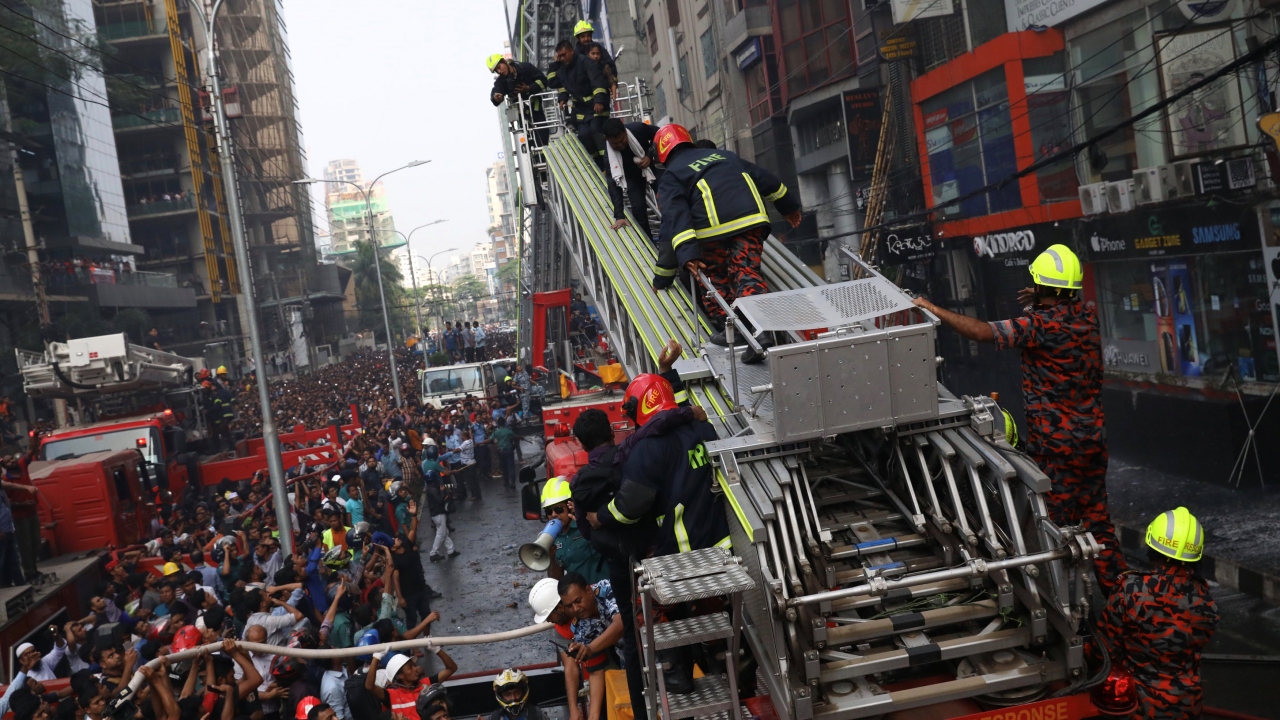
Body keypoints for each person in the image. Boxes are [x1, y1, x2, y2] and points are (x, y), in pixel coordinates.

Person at [910, 244, 1127, 595]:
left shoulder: (1039, 326)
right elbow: (1051, 315)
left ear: (1046, 290)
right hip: (1092, 442)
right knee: (1098, 523)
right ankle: (1120, 599)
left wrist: (932, 308)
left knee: (1050, 529)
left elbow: (982, 332)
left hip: (1058, 450)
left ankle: (1060, 604)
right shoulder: (1086, 319)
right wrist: (1041, 297)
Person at [649, 123, 803, 364]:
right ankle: (761, 331)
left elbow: (675, 219)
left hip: (712, 233)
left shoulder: (671, 175)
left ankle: (736, 330)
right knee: (746, 273)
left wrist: (675, 267)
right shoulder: (724, 156)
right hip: (751, 221)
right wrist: (789, 207)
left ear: (661, 153)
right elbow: (766, 180)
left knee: (712, 279)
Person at [1097, 507, 1218, 719]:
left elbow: (1102, 651)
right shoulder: (1206, 601)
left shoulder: (1130, 591)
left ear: (1153, 547)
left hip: (1137, 708)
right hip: (1187, 707)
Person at [559, 572, 623, 720]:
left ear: (588, 590)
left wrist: (590, 648)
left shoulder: (607, 589)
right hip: (627, 663)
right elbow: (595, 670)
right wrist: (593, 716)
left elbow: (620, 624)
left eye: (578, 601)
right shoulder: (579, 627)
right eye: (569, 606)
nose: (576, 608)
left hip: (652, 644)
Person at [551, 40, 610, 170]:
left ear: (571, 51)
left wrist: (599, 100)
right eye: (559, 56)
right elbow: (554, 83)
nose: (561, 58)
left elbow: (597, 82)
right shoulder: (562, 69)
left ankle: (608, 164)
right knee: (583, 135)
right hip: (581, 109)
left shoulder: (586, 63)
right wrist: (554, 65)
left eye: (563, 55)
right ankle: (598, 167)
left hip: (596, 106)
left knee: (596, 131)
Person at [542, 477, 607, 584]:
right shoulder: (552, 537)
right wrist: (551, 557)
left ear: (570, 506)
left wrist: (584, 523)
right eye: (549, 511)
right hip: (580, 598)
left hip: (605, 591)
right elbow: (556, 580)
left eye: (558, 509)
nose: (553, 515)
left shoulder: (587, 523)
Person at [602, 118, 659, 239]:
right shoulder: (609, 156)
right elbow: (613, 184)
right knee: (638, 212)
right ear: (607, 140)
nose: (620, 145)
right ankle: (649, 245)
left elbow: (659, 134)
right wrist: (619, 216)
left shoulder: (638, 129)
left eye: (622, 140)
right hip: (632, 177)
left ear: (625, 132)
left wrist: (650, 155)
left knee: (667, 198)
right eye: (615, 144)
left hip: (651, 167)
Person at [489, 54, 551, 146]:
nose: (499, 71)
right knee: (528, 142)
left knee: (542, 136)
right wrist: (496, 98)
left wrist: (529, 88)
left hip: (536, 109)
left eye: (499, 67)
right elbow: (496, 91)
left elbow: (544, 81)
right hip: (521, 115)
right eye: (496, 71)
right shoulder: (501, 81)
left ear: (504, 61)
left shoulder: (525, 68)